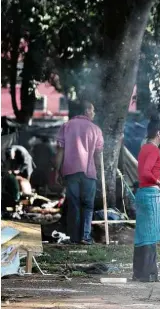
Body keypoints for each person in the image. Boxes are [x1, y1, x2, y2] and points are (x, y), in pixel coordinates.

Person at [54, 101, 104, 245]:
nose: (94, 113)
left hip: (70, 172)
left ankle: (74, 237)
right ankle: (85, 236)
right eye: (93, 110)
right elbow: (98, 155)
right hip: (89, 172)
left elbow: (60, 151)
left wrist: (57, 171)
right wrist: (99, 171)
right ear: (87, 110)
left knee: (74, 204)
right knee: (88, 205)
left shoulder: (66, 126)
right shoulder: (96, 129)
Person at [133, 119, 160, 282]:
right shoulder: (153, 150)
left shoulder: (145, 148)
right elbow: (145, 172)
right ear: (159, 132)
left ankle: (140, 273)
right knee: (150, 235)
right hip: (150, 195)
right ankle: (148, 274)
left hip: (144, 193)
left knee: (143, 234)